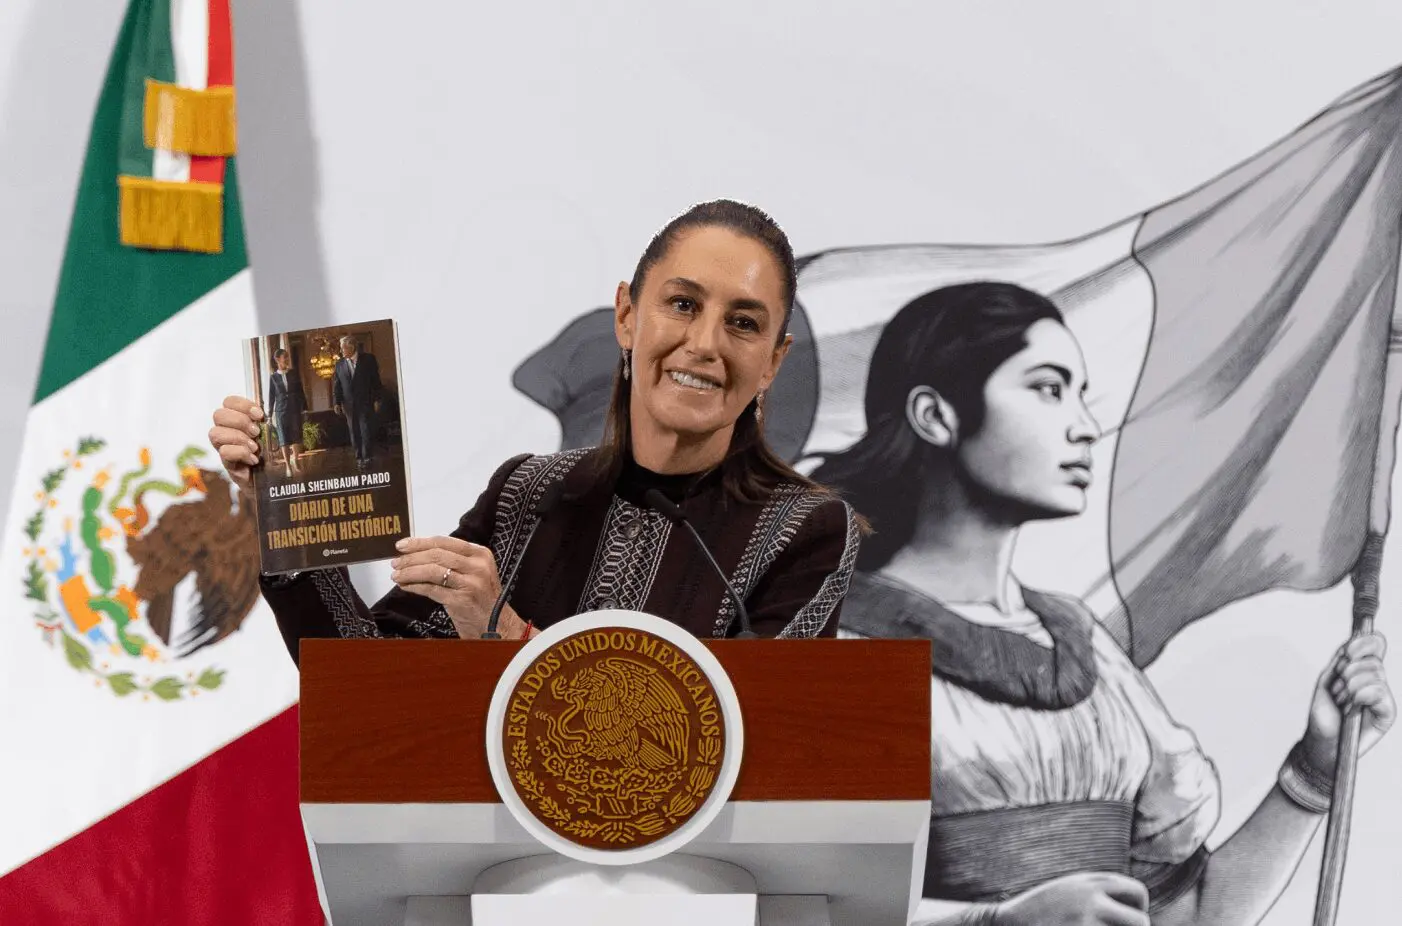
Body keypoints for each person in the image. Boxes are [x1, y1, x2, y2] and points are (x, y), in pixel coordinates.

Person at [809, 282, 1395, 926]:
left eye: (1081, 395)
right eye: (1048, 388)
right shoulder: (834, 646)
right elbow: (806, 918)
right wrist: (999, 924)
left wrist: (1316, 767)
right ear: (936, 415)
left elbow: (1192, 915)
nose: (1086, 427)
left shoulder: (1081, 643)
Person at [208, 200, 863, 663]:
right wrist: (287, 503)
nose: (704, 343)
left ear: (774, 361)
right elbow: (364, 686)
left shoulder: (806, 528)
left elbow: (741, 741)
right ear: (628, 316)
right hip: (499, 865)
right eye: (683, 304)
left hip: (691, 866)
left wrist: (510, 640)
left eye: (744, 323)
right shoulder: (529, 492)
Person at [332, 334, 383, 469]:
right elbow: (337, 385)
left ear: (352, 347)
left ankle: (368, 457)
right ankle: (359, 457)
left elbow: (376, 381)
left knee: (365, 429)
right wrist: (337, 403)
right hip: (348, 405)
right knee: (354, 431)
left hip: (366, 402)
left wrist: (377, 399)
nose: (341, 351)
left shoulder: (369, 359)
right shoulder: (339, 364)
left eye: (343, 348)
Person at [266, 347, 307, 478]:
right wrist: (269, 415)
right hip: (280, 411)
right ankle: (288, 467)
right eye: (285, 357)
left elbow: (301, 391)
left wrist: (305, 407)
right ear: (278, 360)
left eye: (288, 357)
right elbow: (271, 397)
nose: (288, 359)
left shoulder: (294, 373)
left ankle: (295, 460)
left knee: (296, 436)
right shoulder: (273, 378)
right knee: (284, 438)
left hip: (294, 409)